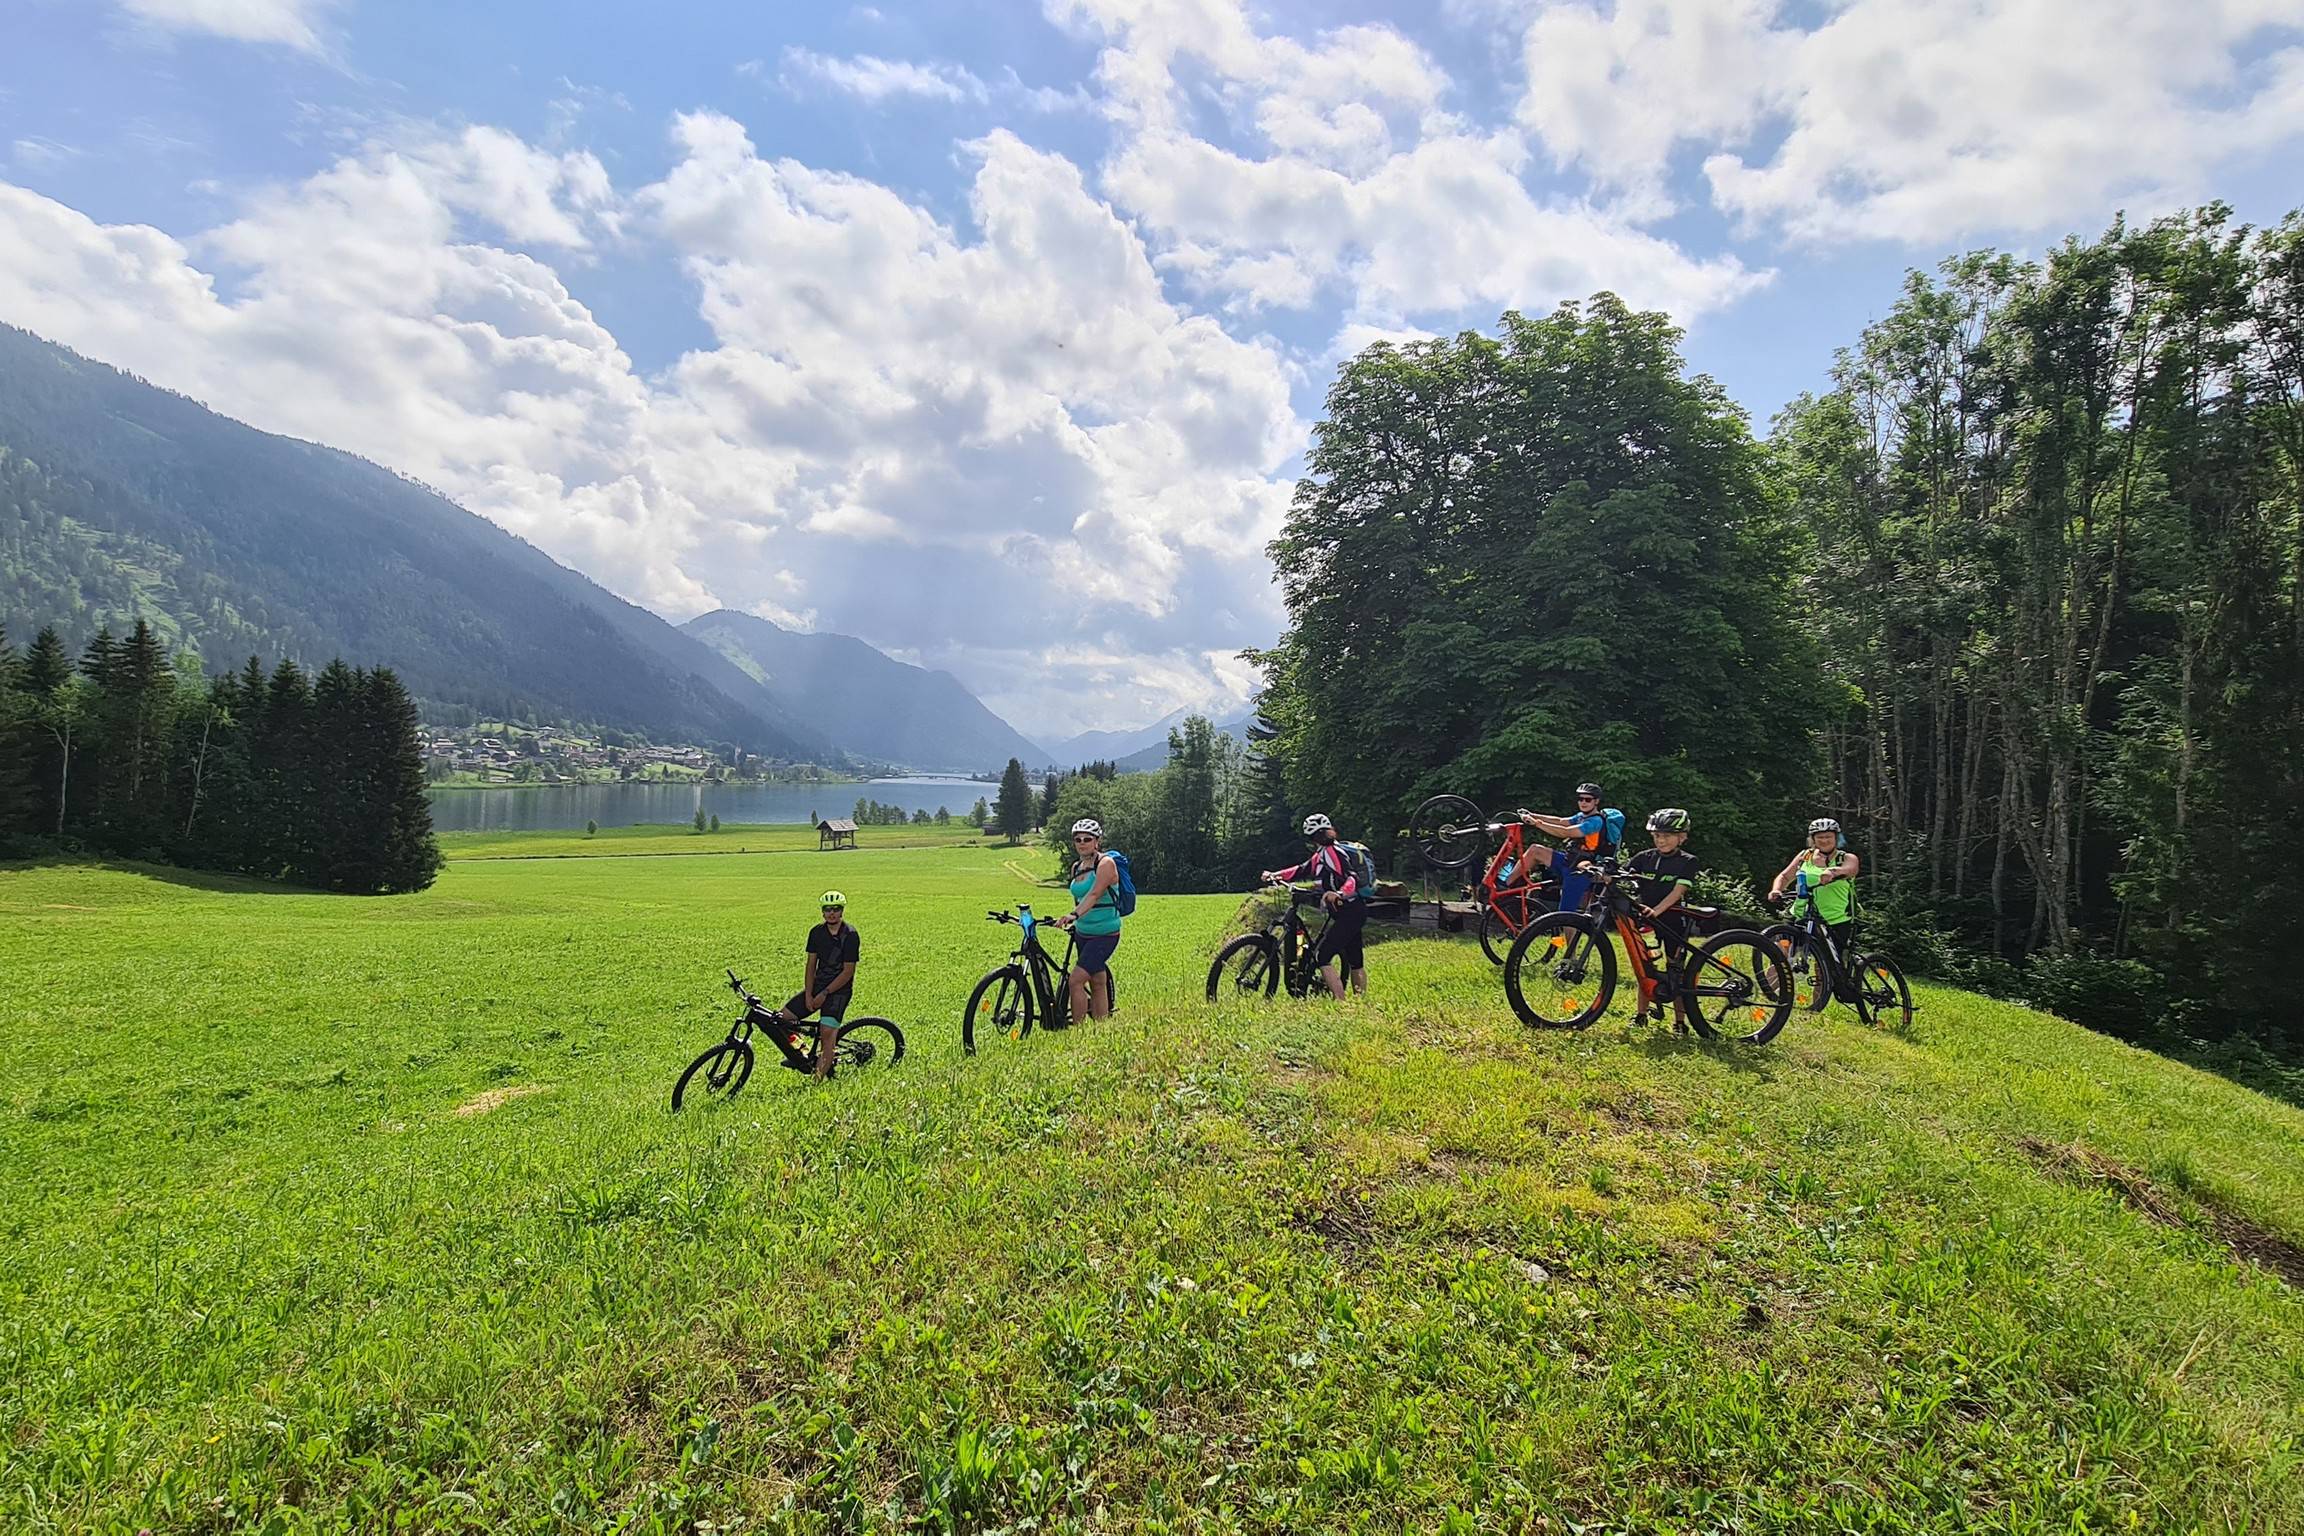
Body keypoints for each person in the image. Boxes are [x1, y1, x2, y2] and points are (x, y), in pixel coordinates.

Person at [1261, 812, 1368, 999]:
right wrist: (1275, 874)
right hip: (1348, 911)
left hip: (1350, 910)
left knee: (1323, 957)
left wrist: (1340, 893)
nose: (1321, 838)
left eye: (1322, 834)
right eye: (1318, 835)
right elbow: (1301, 870)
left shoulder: (1333, 853)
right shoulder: (1322, 854)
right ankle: (1360, 1002)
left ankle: (1342, 1003)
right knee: (1355, 958)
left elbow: (1351, 877)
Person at [770, 891, 858, 1080]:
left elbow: (848, 971)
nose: (831, 913)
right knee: (781, 1020)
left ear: (842, 911)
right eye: (827, 909)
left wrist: (825, 993)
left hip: (839, 992)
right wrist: (809, 994)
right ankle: (802, 1053)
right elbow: (811, 965)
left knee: (827, 1036)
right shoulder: (816, 933)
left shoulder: (850, 935)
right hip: (818, 986)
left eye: (836, 909)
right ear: (822, 912)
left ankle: (816, 1082)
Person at [1769, 818, 1861, 997]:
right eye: (1820, 837)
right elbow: (1785, 876)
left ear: (1836, 838)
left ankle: (1815, 1007)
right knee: (1780, 954)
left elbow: (1850, 869)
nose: (1824, 840)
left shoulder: (1846, 857)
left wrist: (1833, 872)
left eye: (1828, 837)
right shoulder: (1805, 856)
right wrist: (1776, 890)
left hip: (1835, 918)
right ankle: (1768, 996)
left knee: (1823, 967)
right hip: (1801, 914)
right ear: (1812, 839)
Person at [1627, 808, 1698, 1021]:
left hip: (1673, 921)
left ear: (1682, 837)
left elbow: (1678, 892)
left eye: (1666, 836)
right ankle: (1641, 1015)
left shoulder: (1688, 861)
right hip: (1646, 920)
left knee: (1676, 972)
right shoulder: (1644, 858)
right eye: (1657, 836)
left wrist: (1657, 911)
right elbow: (1620, 874)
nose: (1661, 840)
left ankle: (1679, 1022)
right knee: (1646, 968)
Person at [1514, 781, 1627, 913]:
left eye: (1588, 799)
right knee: (1535, 850)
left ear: (1596, 801)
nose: (1583, 802)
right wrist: (1532, 814)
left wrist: (1537, 823)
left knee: (1566, 913)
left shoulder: (1595, 822)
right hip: (1568, 861)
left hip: (1580, 871)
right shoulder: (1581, 816)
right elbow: (1561, 821)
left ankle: (1571, 933)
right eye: (1580, 799)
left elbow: (1566, 832)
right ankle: (1504, 886)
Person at [1052, 817, 1121, 1025]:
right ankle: (1102, 1027)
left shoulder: (1106, 864)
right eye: (1078, 839)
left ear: (1097, 841)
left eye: (1087, 839)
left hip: (1105, 933)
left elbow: (1094, 894)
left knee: (1076, 980)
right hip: (1083, 932)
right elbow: (1080, 896)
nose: (1082, 843)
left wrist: (1073, 915)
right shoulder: (1077, 867)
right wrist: (1076, 919)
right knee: (1097, 980)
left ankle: (1078, 1032)